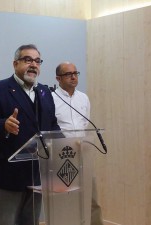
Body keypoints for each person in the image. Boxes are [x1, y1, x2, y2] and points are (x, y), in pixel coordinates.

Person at [0, 44, 61, 225]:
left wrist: (64, 144)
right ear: (15, 64)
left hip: (38, 172)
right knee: (7, 221)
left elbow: (51, 125)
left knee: (31, 221)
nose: (33, 65)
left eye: (37, 61)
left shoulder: (45, 91)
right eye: (27, 60)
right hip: (9, 174)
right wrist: (3, 125)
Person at [52, 61, 104, 225]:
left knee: (91, 197)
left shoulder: (83, 98)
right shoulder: (51, 98)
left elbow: (84, 124)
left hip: (82, 153)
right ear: (58, 78)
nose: (73, 76)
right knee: (65, 200)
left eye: (75, 73)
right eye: (68, 74)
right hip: (61, 154)